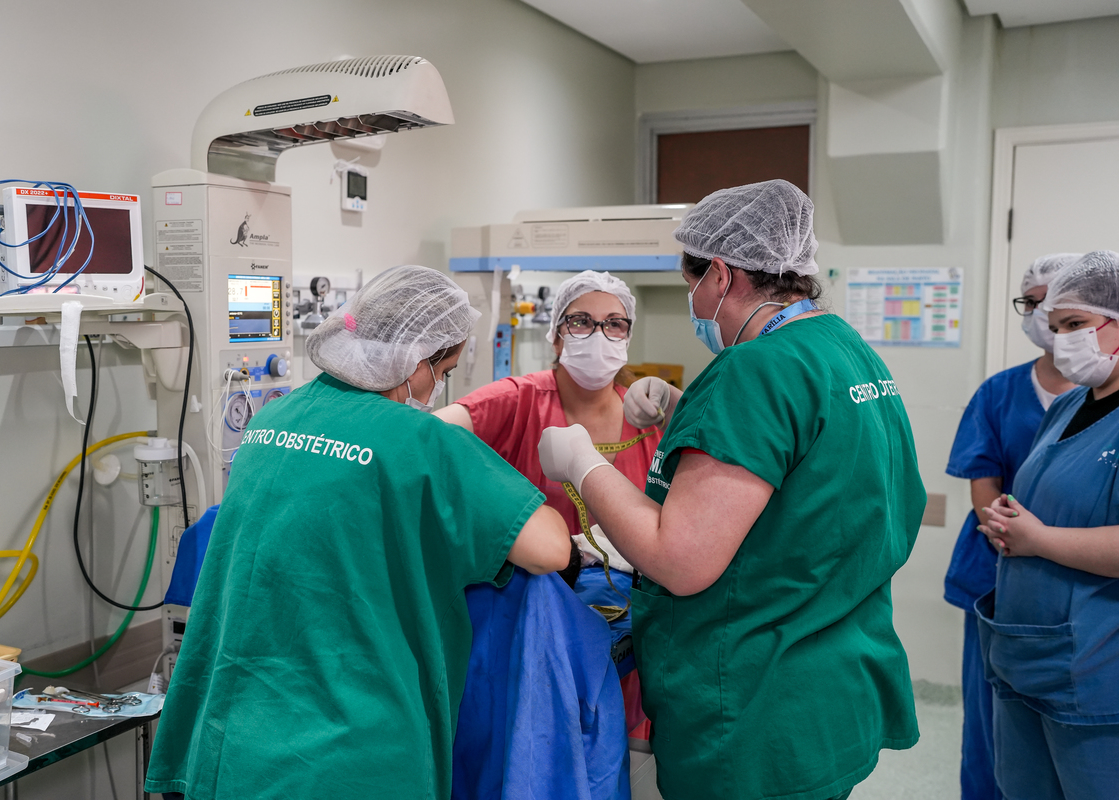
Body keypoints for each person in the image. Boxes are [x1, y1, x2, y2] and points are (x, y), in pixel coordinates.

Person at [538, 179, 926, 800]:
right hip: (833, 679)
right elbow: (811, 473)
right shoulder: (845, 349)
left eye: (691, 285)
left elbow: (680, 560)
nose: (693, 304)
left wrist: (582, 463)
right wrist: (687, 410)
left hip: (754, 701)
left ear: (719, 275)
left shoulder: (752, 369)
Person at [145, 265, 570, 800]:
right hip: (348, 754)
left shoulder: (273, 418)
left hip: (231, 741)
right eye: (443, 370)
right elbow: (551, 548)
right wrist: (578, 464)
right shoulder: (422, 442)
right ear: (417, 359)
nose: (437, 387)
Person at [436, 270, 662, 737]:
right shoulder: (518, 401)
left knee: (611, 744)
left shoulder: (651, 422)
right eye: (581, 321)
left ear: (627, 337)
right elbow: (424, 438)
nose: (598, 334)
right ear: (556, 336)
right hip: (527, 630)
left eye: (614, 323)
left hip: (624, 640)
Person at [977, 250, 1119, 800]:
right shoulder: (1068, 406)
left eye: (1076, 324)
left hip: (1096, 665)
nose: (1063, 342)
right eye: (1056, 328)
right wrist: (1007, 521)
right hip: (1027, 649)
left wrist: (1038, 539)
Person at [944, 253, 1079, 800]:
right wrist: (1007, 534)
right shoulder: (999, 393)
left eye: (1061, 307)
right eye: (1033, 303)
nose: (1044, 316)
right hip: (994, 573)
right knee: (989, 722)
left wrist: (1048, 544)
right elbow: (984, 483)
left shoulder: (1101, 401)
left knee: (1073, 735)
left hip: (1083, 584)